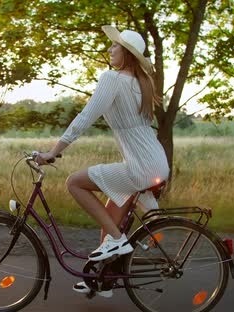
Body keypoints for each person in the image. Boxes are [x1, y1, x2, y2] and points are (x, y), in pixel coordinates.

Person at [36, 25, 170, 297]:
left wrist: (54, 151)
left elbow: (86, 117)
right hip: (155, 162)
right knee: (109, 221)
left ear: (127, 54)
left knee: (74, 182)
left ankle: (119, 243)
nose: (109, 49)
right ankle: (100, 279)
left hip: (141, 168)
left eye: (115, 46)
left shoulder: (113, 79)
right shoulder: (139, 83)